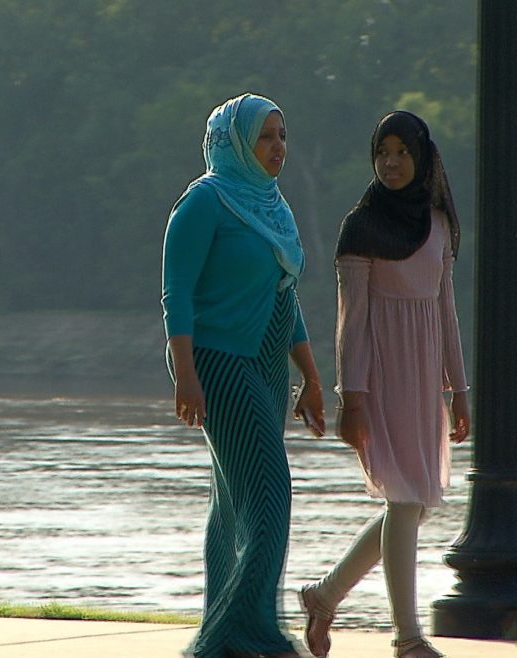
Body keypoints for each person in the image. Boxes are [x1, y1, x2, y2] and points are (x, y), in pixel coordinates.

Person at [299, 111, 470, 658]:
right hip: (380, 376)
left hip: (425, 381)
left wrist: (459, 388)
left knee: (413, 503)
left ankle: (324, 597)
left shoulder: (439, 224)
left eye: (401, 151)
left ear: (421, 158)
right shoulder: (361, 227)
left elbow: (446, 312)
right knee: (403, 500)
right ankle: (409, 639)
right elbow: (351, 324)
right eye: (381, 151)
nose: (390, 162)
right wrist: (352, 399)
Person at [162, 92, 327, 658]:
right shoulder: (205, 202)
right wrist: (185, 374)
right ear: (236, 143)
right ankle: (243, 633)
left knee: (231, 502)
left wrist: (310, 375)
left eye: (282, 135)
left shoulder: (271, 205)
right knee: (270, 492)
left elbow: (287, 294)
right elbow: (176, 294)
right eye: (265, 136)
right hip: (218, 360)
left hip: (267, 364)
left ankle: (225, 629)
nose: (277, 147)